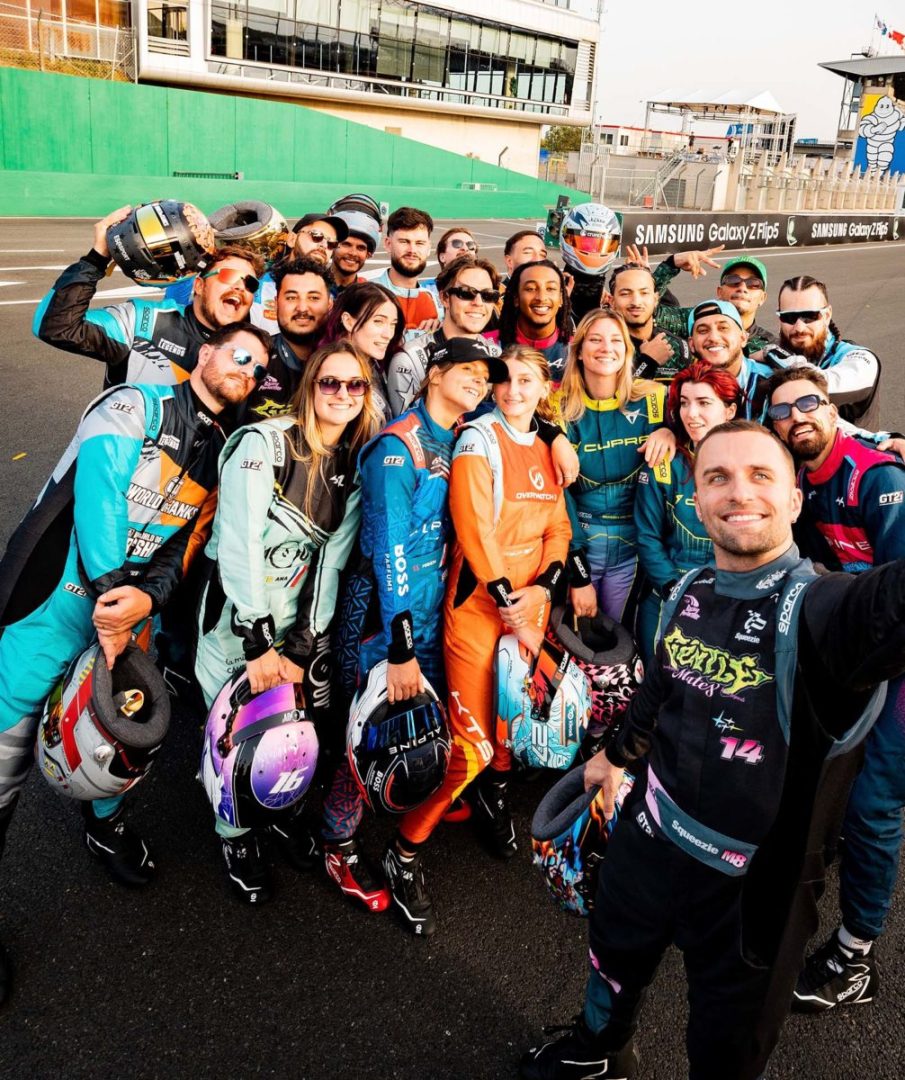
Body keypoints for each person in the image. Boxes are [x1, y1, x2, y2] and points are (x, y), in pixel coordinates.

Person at [520, 419, 905, 1080]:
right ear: (697, 503)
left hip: (753, 892)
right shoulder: (687, 589)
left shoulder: (825, 612)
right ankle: (597, 1051)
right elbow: (658, 691)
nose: (738, 492)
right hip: (648, 838)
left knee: (724, 1047)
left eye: (760, 475)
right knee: (612, 959)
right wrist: (613, 757)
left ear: (794, 499)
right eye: (717, 477)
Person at [0, 322, 270, 1000]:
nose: (246, 370)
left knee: (117, 739)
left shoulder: (224, 451)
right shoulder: (134, 404)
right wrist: (114, 596)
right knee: (3, 764)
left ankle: (103, 828)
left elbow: (182, 550)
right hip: (53, 604)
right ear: (204, 353)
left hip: (125, 615)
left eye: (257, 368)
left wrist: (145, 601)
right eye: (239, 354)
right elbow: (99, 502)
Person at [380, 346, 572, 936]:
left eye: (525, 380)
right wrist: (513, 602)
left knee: (514, 725)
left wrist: (545, 588)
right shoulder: (477, 440)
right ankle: (403, 851)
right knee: (473, 745)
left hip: (529, 606)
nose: (512, 390)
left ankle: (491, 798)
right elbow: (472, 529)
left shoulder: (547, 445)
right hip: (480, 610)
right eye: (503, 380)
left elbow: (559, 527)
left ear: (544, 387)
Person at [321, 336, 508, 913]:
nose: (478, 381)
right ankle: (337, 842)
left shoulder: (463, 434)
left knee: (423, 723)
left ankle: (406, 793)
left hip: (432, 609)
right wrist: (399, 646)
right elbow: (389, 553)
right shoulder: (398, 448)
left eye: (484, 376)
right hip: (384, 615)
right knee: (372, 731)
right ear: (434, 375)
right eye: (467, 370)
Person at [194, 341, 381, 904]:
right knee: (233, 737)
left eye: (355, 385)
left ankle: (273, 812)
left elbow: (330, 563)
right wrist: (256, 641)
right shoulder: (263, 443)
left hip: (289, 625)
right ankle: (234, 836)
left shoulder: (351, 465)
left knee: (283, 734)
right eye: (330, 382)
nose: (343, 394)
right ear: (310, 387)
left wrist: (303, 645)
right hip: (234, 621)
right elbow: (240, 544)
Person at [764, 366, 905, 1013]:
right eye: (781, 410)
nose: (796, 416)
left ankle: (855, 956)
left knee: (873, 804)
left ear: (832, 409)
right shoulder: (797, 483)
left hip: (893, 661)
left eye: (807, 403)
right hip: (860, 655)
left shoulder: (875, 478)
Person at [34, 205, 263, 388]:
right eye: (229, 276)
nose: (240, 287)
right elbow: (56, 326)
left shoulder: (256, 352)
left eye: (250, 283)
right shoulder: (142, 323)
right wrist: (96, 259)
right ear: (199, 285)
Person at [556, 309, 673, 631]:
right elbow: (558, 499)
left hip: (635, 546)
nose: (606, 347)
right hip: (581, 542)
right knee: (581, 638)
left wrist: (670, 431)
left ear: (627, 351)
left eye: (615, 340)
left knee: (621, 638)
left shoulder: (655, 397)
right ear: (579, 351)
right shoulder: (556, 408)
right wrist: (578, 572)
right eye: (595, 339)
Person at [634, 362, 742, 662]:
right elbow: (647, 537)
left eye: (704, 403)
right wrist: (673, 588)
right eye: (684, 403)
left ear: (730, 410)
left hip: (730, 594)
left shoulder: (753, 461)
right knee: (656, 678)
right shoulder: (663, 463)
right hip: (667, 591)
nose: (691, 414)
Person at [386, 254, 501, 416]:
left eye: (488, 295)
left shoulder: (496, 355)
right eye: (466, 293)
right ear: (444, 298)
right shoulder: (410, 361)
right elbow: (407, 426)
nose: (478, 302)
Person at [764, 275, 881, 427]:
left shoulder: (861, 358)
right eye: (789, 317)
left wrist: (772, 354)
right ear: (779, 319)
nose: (799, 327)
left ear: (827, 315)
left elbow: (817, 385)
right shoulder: (772, 359)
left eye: (810, 316)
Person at [242, 257, 334, 422]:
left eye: (313, 298)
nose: (302, 308)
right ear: (276, 303)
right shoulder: (252, 359)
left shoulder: (347, 364)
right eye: (291, 297)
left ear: (329, 304)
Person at [319, 282, 405, 423]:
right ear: (348, 321)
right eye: (378, 321)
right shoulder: (332, 371)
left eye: (393, 324)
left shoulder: (372, 362)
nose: (388, 334)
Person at [687, 299, 775, 420]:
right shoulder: (684, 388)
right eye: (703, 331)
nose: (713, 337)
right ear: (691, 344)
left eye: (723, 328)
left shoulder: (771, 382)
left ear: (743, 338)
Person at [607, 264, 690, 383]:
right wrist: (648, 362)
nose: (636, 302)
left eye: (644, 293)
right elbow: (609, 393)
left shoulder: (678, 347)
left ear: (655, 299)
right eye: (625, 294)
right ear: (612, 302)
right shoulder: (605, 348)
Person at [494, 260, 572, 382]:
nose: (541, 297)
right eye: (531, 289)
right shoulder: (489, 346)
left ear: (561, 298)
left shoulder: (576, 350)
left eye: (550, 288)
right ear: (516, 298)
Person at [372, 206, 441, 339]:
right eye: (404, 241)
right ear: (388, 244)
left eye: (419, 243)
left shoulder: (436, 303)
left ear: (428, 248)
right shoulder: (366, 293)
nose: (412, 250)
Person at [329, 206, 381, 296]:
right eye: (346, 244)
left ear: (368, 255)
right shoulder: (308, 285)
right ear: (332, 246)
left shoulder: (369, 296)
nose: (353, 253)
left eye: (361, 248)